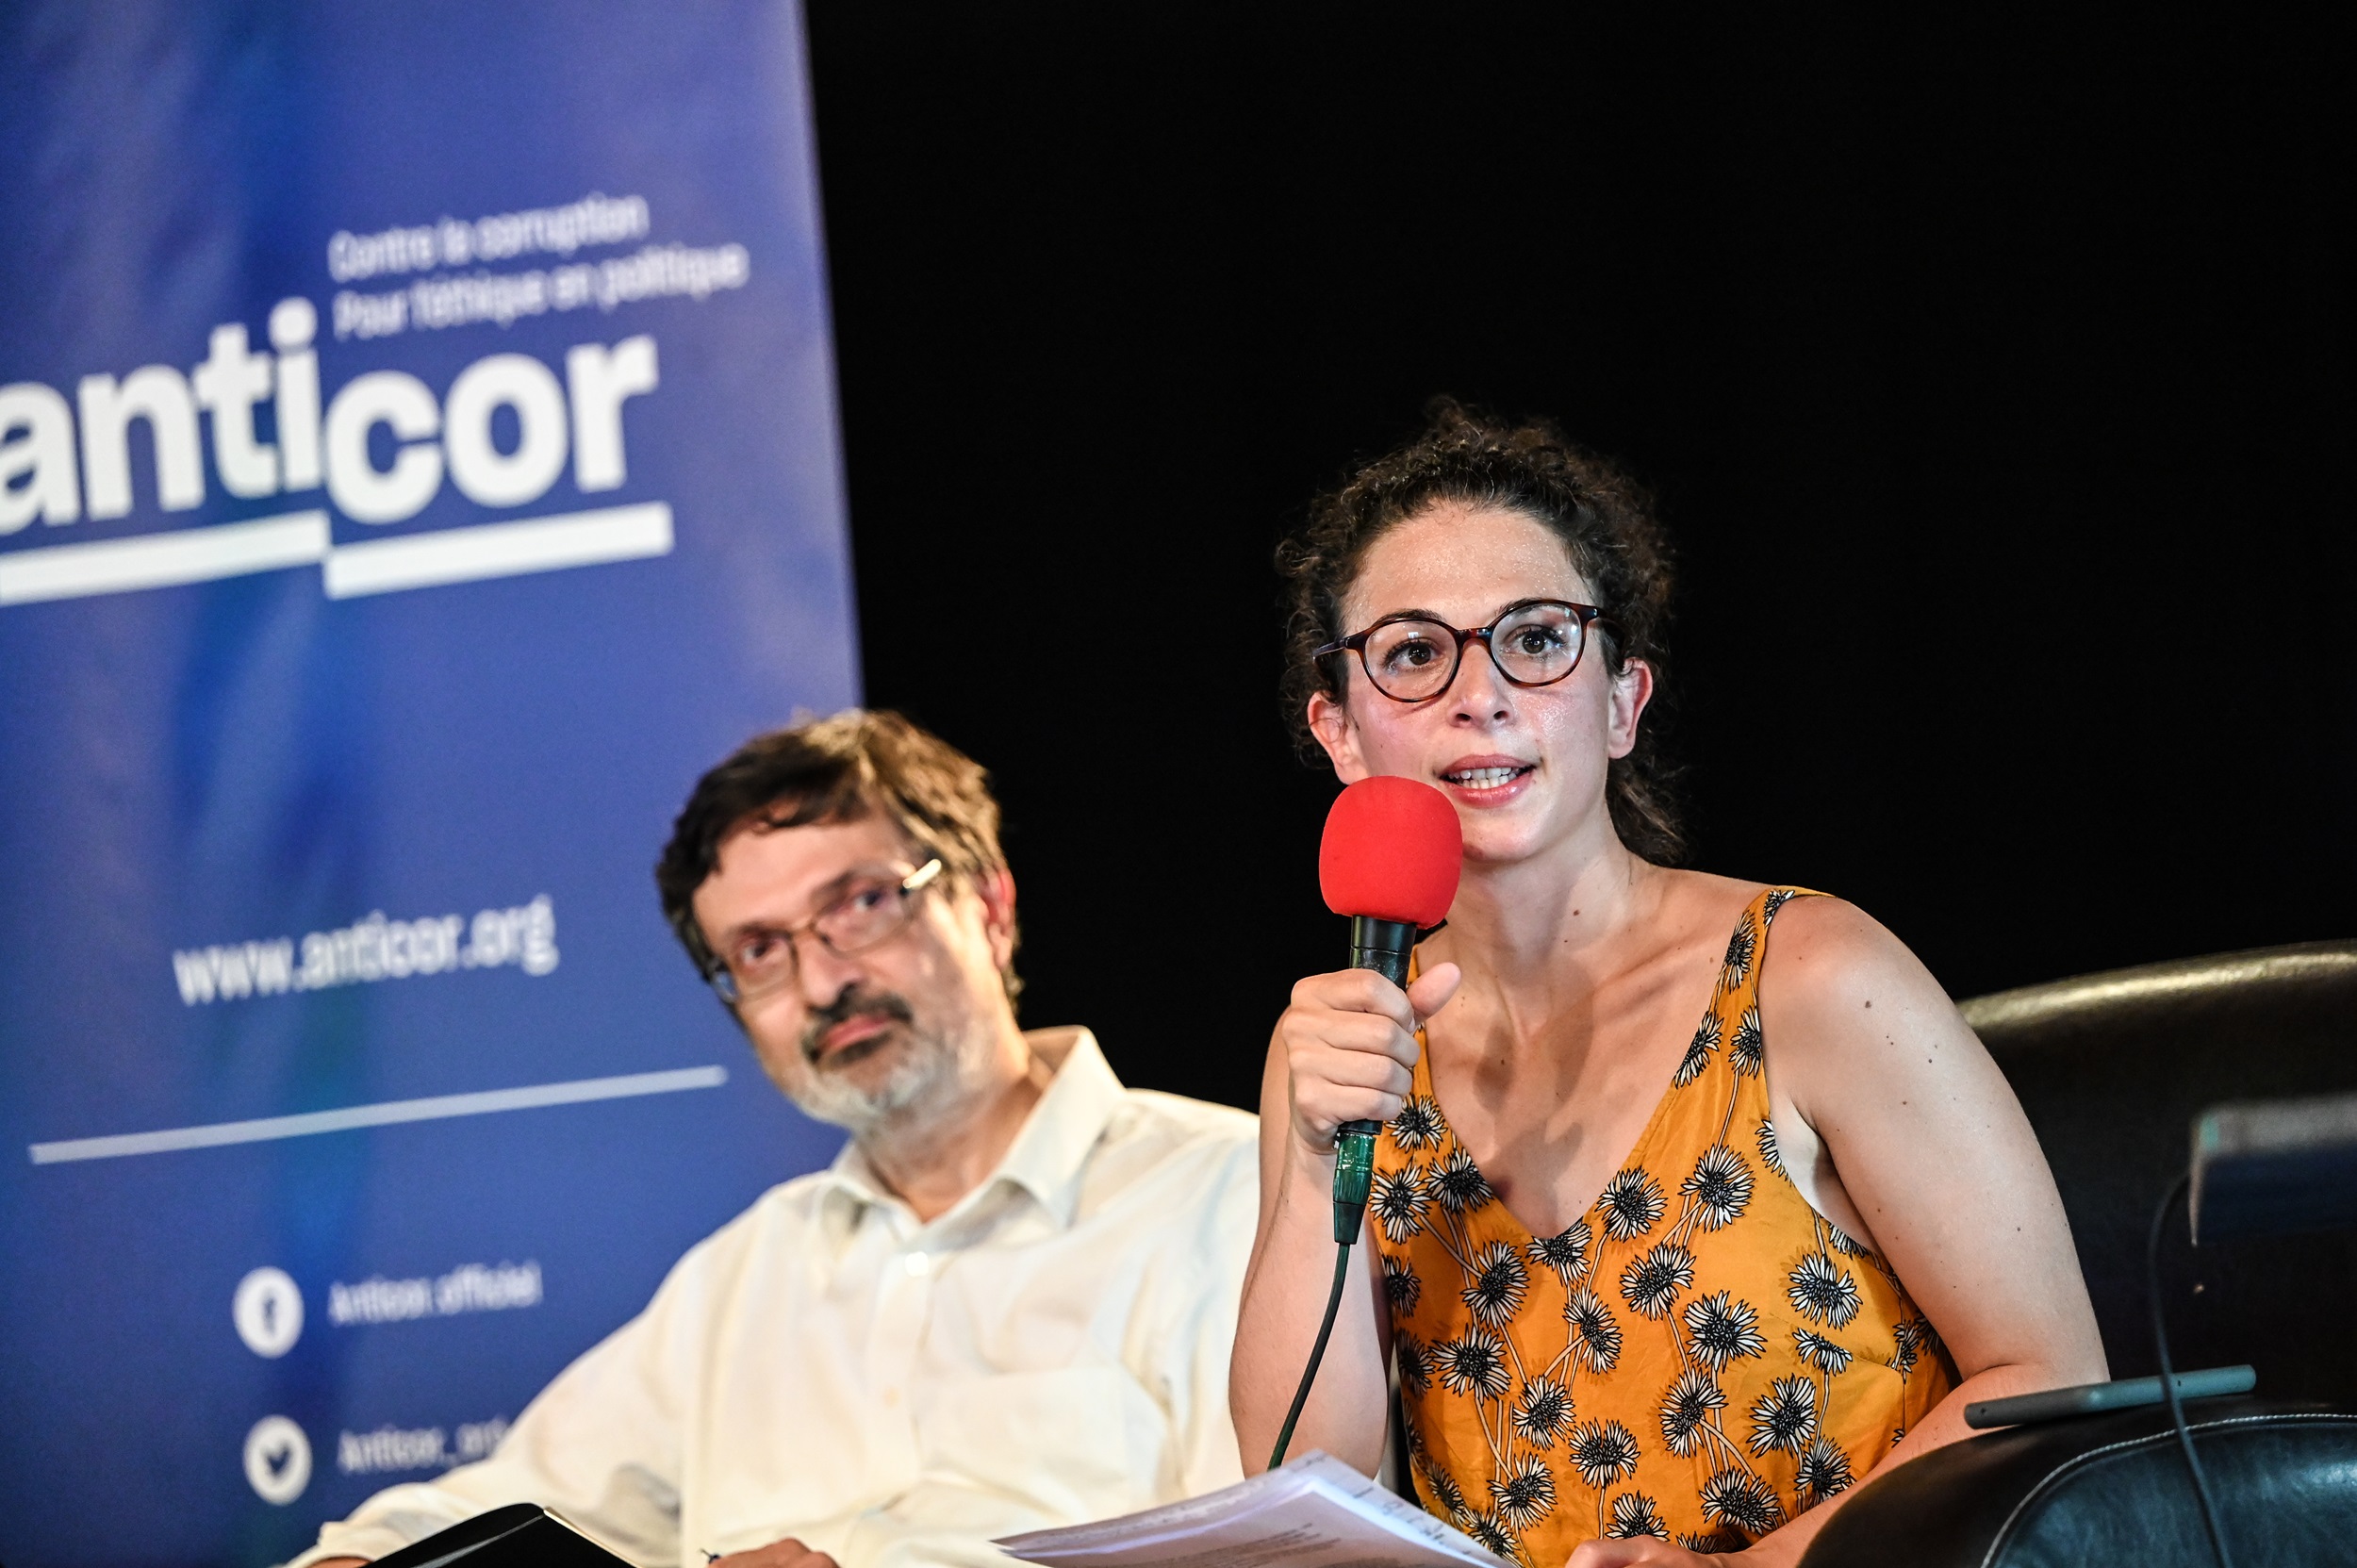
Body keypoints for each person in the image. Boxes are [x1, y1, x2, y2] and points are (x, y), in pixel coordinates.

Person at [1230, 406, 2106, 1566]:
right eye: (1412, 653)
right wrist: (1310, 1157)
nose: (1479, 693)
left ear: (1620, 702)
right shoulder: (1345, 1040)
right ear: (1339, 731)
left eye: (1535, 638)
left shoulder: (1812, 974)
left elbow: (2049, 1377)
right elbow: (1308, 1496)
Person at [293, 710, 1259, 1568]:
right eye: (760, 950)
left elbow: (1276, 1550)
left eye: (861, 903)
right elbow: (474, 1513)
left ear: (990, 906)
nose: (822, 980)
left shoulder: (1232, 1193)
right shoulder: (739, 1281)